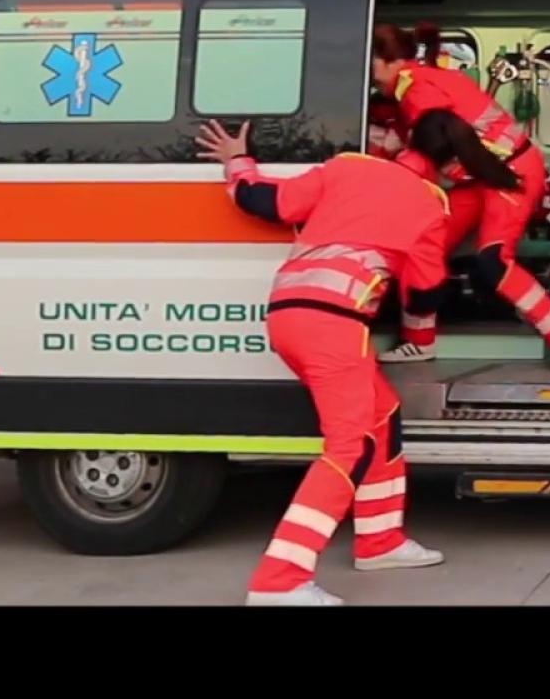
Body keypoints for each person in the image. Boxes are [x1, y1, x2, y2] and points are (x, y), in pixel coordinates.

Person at [196, 116, 494, 606]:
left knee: (381, 413)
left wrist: (238, 162)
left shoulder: (348, 167)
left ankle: (380, 540)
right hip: (334, 324)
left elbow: (267, 201)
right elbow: (422, 295)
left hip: (287, 313)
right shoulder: (430, 203)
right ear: (453, 167)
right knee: (348, 446)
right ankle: (280, 581)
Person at [368, 22, 550, 374]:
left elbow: (434, 146)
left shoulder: (419, 92)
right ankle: (419, 340)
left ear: (389, 60)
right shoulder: (416, 85)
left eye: (372, 62)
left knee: (494, 261)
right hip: (480, 176)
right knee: (420, 245)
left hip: (510, 172)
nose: (370, 75)